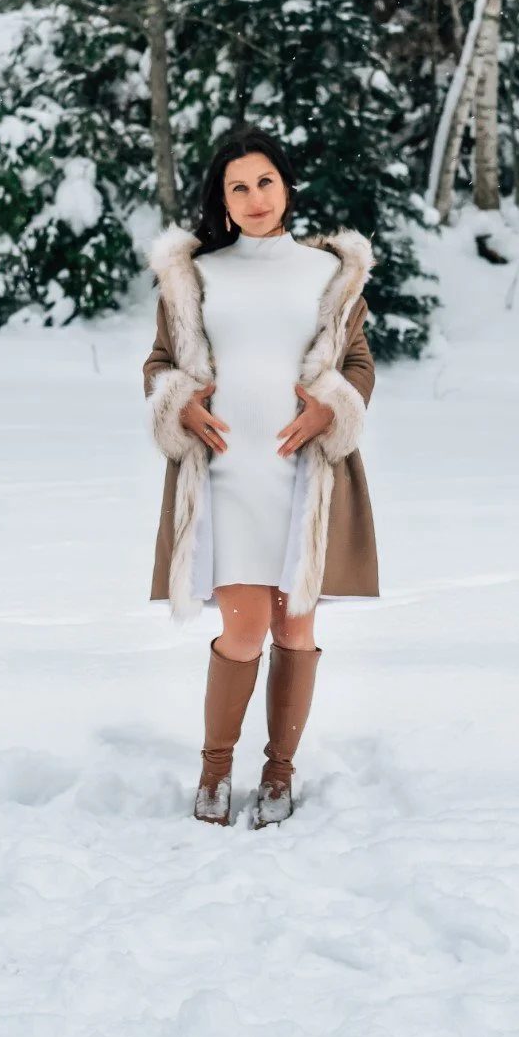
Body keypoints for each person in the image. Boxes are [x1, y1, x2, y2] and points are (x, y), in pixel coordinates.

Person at [141, 127, 380, 827]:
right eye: (237, 186)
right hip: (225, 476)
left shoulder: (327, 273)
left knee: (295, 630)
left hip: (304, 480)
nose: (252, 197)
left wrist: (331, 409)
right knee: (244, 631)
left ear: (287, 186)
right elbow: (159, 361)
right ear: (221, 197)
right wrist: (175, 400)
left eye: (264, 182)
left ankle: (279, 772)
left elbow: (358, 364)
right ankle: (215, 771)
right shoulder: (195, 275)